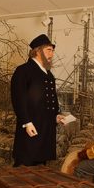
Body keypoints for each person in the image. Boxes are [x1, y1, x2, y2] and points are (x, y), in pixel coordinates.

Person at [11, 34, 65, 167]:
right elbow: (18, 99)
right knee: (25, 164)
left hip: (46, 128)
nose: (52, 54)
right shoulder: (23, 71)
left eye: (52, 50)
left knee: (40, 167)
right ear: (37, 51)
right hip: (31, 126)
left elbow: (50, 100)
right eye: (49, 50)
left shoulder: (48, 74)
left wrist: (56, 116)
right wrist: (26, 122)